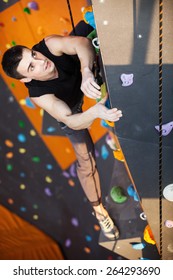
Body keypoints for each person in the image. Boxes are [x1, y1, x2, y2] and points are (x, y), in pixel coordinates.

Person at [1, 23, 122, 241]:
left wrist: (86, 70)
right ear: (26, 79)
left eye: (34, 54)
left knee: (86, 30)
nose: (41, 61)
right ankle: (98, 210)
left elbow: (83, 44)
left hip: (83, 72)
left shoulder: (49, 45)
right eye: (31, 67)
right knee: (85, 160)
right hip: (73, 108)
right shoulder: (38, 95)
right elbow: (72, 121)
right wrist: (95, 112)